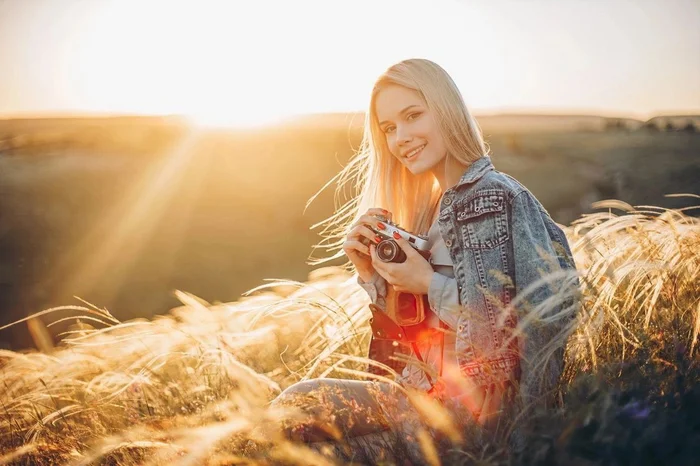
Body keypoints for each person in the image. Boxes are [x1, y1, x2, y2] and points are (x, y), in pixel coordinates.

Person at [269, 58, 579, 462]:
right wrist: (374, 279)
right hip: (418, 396)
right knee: (292, 413)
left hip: (474, 419)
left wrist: (429, 284)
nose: (401, 138)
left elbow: (541, 327)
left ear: (446, 109)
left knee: (314, 441)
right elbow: (406, 344)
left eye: (413, 116)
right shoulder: (426, 215)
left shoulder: (498, 198)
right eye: (389, 128)